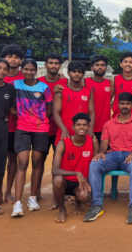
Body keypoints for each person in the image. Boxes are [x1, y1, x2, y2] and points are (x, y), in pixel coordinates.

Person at [84, 92, 132, 224]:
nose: (125, 106)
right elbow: (104, 144)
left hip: (130, 155)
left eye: (127, 103)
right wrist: (101, 152)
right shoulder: (108, 124)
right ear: (117, 105)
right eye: (122, 103)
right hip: (112, 156)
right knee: (95, 164)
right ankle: (96, 205)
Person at [11, 59, 53, 217]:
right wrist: (23, 116)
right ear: (22, 70)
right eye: (26, 69)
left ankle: (32, 198)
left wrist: (38, 119)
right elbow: (11, 106)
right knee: (22, 162)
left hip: (41, 129)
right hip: (22, 128)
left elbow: (49, 108)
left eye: (32, 69)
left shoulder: (44, 87)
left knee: (37, 162)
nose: (29, 72)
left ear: (36, 71)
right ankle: (17, 203)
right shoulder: (15, 85)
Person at [52, 62, 95, 209]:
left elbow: (92, 112)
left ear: (83, 74)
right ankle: (55, 197)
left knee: (84, 161)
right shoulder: (61, 91)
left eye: (80, 72)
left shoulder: (88, 92)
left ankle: (81, 192)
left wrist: (90, 129)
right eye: (74, 72)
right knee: (60, 163)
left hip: (82, 132)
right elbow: (55, 112)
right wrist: (63, 128)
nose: (77, 74)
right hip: (65, 133)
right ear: (69, 73)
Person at [52, 113, 99, 223]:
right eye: (78, 125)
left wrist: (86, 180)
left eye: (84, 125)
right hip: (66, 181)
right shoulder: (63, 143)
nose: (81, 127)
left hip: (82, 183)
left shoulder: (93, 142)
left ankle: (78, 201)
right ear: (73, 127)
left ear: (88, 127)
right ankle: (62, 210)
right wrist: (77, 173)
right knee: (57, 179)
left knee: (84, 196)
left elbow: (95, 166)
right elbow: (54, 170)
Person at [37, 53, 68, 199]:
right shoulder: (37, 82)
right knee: (39, 161)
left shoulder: (65, 82)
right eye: (51, 63)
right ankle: (35, 193)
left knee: (61, 163)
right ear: (45, 65)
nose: (54, 65)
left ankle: (59, 195)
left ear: (60, 66)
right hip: (41, 130)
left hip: (60, 131)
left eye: (56, 63)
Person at [0, 44, 25, 206]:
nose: (13, 60)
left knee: (13, 159)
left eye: (16, 57)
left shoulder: (25, 78)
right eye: (9, 56)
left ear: (21, 59)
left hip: (18, 126)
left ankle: (8, 192)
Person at [0, 59, 17, 215]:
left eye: (5, 69)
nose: (2, 71)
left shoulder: (10, 88)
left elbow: (14, 110)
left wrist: (32, 114)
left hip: (2, 128)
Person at [85, 55, 111, 141]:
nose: (100, 67)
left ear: (106, 68)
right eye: (97, 65)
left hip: (105, 127)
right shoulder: (84, 82)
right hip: (87, 127)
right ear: (92, 68)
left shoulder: (110, 83)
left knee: (103, 153)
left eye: (102, 65)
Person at [112, 52, 132, 119]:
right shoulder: (114, 80)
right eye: (125, 62)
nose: (128, 64)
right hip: (118, 119)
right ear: (121, 64)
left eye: (131, 62)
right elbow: (108, 99)